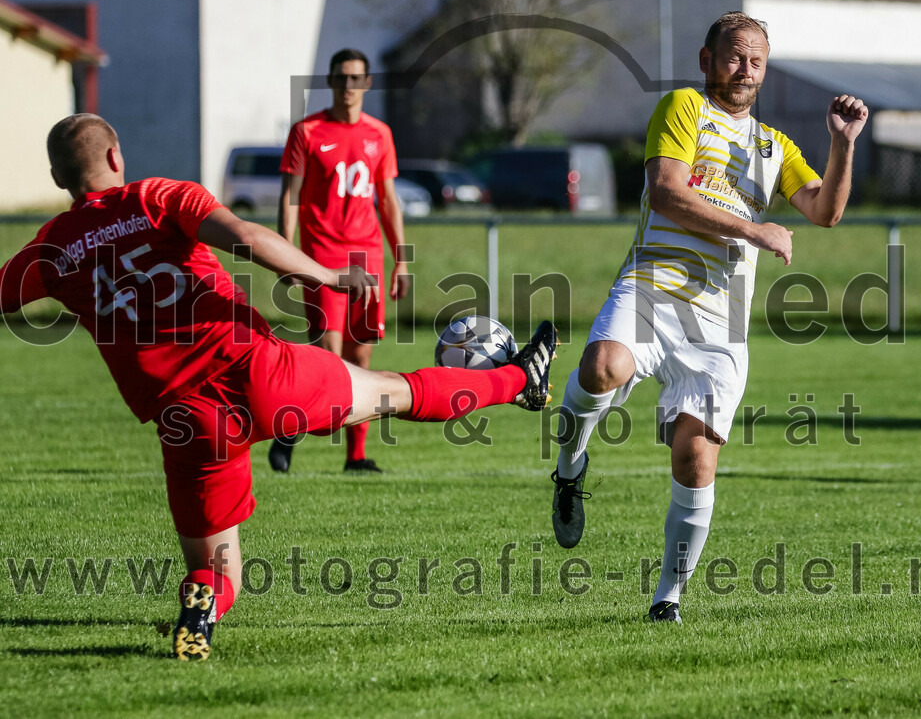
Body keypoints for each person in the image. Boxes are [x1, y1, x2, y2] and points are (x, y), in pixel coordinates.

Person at [0, 114, 557, 660]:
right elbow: (244, 236)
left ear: (57, 179)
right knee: (394, 390)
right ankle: (517, 379)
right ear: (116, 158)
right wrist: (330, 276)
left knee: (217, 570)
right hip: (259, 371)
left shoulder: (52, 248)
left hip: (188, 419)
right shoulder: (158, 196)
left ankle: (203, 605)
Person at [547, 12, 868, 622]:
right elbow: (667, 192)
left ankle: (667, 598)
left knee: (695, 458)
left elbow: (824, 211)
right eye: (733, 56)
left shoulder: (776, 146)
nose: (743, 69)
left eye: (755, 61)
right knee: (601, 365)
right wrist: (754, 227)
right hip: (653, 284)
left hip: (721, 321)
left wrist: (843, 144)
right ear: (706, 59)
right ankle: (570, 468)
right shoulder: (683, 107)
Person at [268, 48, 408, 474]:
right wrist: (286, 255)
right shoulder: (307, 132)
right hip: (322, 257)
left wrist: (401, 260)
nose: (348, 87)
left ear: (366, 84)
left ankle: (356, 456)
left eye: (356, 79)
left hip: (367, 258)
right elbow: (290, 196)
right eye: (341, 78)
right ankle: (289, 429)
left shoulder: (379, 134)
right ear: (330, 82)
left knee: (360, 359)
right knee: (327, 357)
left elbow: (387, 200)